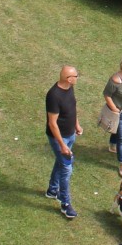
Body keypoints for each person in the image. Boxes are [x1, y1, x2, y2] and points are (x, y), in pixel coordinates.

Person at [45, 65, 82, 219]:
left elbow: (72, 108)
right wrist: (62, 145)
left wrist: (76, 124)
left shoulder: (69, 88)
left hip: (70, 134)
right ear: (68, 78)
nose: (77, 78)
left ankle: (52, 190)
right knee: (67, 169)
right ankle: (65, 204)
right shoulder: (54, 95)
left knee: (61, 164)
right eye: (76, 76)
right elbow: (52, 123)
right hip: (59, 138)